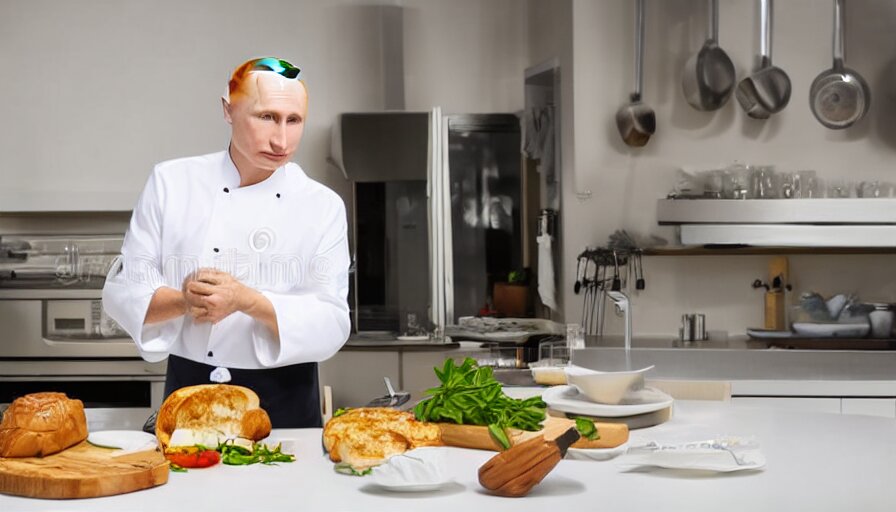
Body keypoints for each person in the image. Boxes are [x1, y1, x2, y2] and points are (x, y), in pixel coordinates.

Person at [102, 57, 350, 428]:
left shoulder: (323, 205)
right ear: (228, 110)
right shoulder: (172, 182)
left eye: (293, 120)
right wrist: (186, 300)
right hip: (189, 391)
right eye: (266, 117)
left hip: (285, 401)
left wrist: (246, 300)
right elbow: (124, 292)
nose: (281, 140)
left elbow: (333, 321)